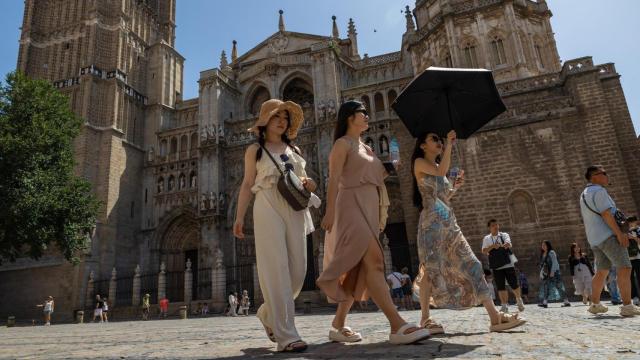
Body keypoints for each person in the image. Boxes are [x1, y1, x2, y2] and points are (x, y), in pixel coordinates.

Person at [318, 100, 429, 345]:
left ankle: (338, 324)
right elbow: (334, 179)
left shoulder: (366, 148)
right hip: (350, 206)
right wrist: (329, 212)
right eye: (363, 113)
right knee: (375, 261)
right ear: (349, 117)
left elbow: (374, 176)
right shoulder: (342, 144)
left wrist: (391, 166)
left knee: (359, 269)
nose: (367, 116)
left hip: (368, 206)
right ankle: (397, 325)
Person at [411, 131, 526, 333]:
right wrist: (448, 144)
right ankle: (425, 319)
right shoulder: (420, 163)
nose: (438, 142)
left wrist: (454, 187)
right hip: (431, 225)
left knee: (473, 264)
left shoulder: (440, 167)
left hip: (448, 223)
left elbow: (442, 197)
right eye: (434, 139)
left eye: (439, 139)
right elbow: (437, 179)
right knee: (430, 271)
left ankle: (495, 318)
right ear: (422, 145)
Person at [233, 98, 316, 353]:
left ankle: (267, 313)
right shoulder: (254, 151)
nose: (282, 122)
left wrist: (309, 184)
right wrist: (239, 217)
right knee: (276, 269)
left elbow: (303, 180)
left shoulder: (296, 150)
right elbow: (247, 184)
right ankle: (286, 335)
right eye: (277, 117)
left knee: (299, 270)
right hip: (267, 205)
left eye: (285, 119)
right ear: (265, 121)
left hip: (294, 207)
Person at [579, 165, 640, 316]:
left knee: (601, 271)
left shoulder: (584, 193)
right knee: (625, 267)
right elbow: (606, 214)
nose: (607, 176)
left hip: (595, 239)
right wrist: (619, 233)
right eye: (603, 173)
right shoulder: (599, 191)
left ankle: (595, 304)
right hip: (608, 236)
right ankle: (627, 306)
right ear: (594, 177)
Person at [481, 219, 526, 313]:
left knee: (514, 284)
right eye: (493, 225)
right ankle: (504, 305)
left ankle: (519, 300)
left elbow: (509, 243)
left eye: (497, 224)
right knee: (500, 286)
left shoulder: (504, 235)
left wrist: (506, 244)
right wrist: (492, 246)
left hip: (508, 264)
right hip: (496, 266)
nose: (496, 226)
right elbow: (484, 251)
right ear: (489, 227)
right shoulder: (487, 238)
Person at [538, 240, 571, 308]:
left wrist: (552, 272)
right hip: (546, 274)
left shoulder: (551, 252)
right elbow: (543, 265)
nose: (543, 246)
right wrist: (541, 273)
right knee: (546, 287)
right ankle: (545, 302)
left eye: (544, 245)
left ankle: (566, 301)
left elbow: (555, 262)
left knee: (559, 286)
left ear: (548, 245)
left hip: (554, 273)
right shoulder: (543, 254)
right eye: (542, 245)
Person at [626, 216, 640, 305]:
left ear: (636, 222)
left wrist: (633, 237)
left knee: (639, 277)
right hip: (628, 257)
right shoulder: (625, 231)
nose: (631, 224)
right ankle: (634, 297)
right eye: (629, 222)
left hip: (638, 256)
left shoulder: (638, 230)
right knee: (630, 278)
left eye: (632, 222)